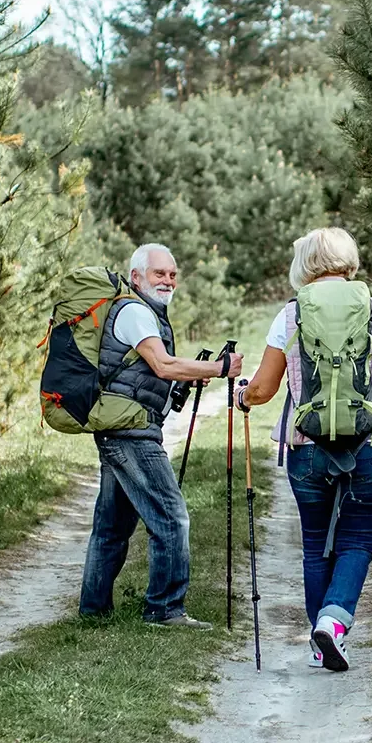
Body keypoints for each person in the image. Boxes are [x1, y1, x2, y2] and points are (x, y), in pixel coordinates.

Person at [240, 228, 372, 670]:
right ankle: (333, 624)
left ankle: (321, 643)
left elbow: (263, 388)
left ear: (304, 265)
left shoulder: (291, 314)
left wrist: (243, 396)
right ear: (348, 260)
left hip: (306, 445)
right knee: (357, 541)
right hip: (368, 441)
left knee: (316, 542)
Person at [80, 243, 238, 628]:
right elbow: (163, 366)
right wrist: (219, 368)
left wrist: (201, 371)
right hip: (131, 431)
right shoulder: (135, 312)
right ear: (136, 277)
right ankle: (165, 610)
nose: (168, 280)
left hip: (120, 426)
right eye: (159, 273)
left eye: (172, 274)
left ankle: (93, 611)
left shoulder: (142, 312)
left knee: (112, 526)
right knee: (172, 518)